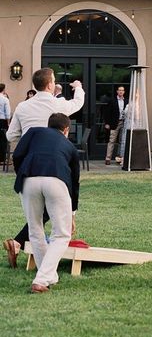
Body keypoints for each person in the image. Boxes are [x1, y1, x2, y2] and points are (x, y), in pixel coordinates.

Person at [3, 67, 84, 269]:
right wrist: (79, 87)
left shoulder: (22, 107)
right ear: (50, 85)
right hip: (54, 163)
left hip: (28, 164)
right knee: (54, 216)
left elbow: (10, 136)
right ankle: (30, 254)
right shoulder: (58, 104)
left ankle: (20, 244)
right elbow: (78, 103)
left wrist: (26, 135)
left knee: (37, 218)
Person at [13, 113, 80, 293]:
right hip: (57, 181)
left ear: (48, 125)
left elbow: (18, 154)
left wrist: (22, 173)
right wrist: (72, 214)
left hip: (28, 180)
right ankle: (42, 279)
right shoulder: (70, 147)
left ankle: (49, 276)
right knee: (61, 234)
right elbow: (75, 184)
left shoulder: (34, 132)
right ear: (66, 130)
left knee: (35, 230)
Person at [103, 86, 128, 165]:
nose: (121, 92)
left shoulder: (127, 101)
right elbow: (107, 113)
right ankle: (108, 158)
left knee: (122, 141)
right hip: (114, 123)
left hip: (124, 122)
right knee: (112, 140)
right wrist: (107, 123)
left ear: (124, 92)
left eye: (122, 90)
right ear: (117, 91)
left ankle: (120, 158)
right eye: (119, 90)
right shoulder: (112, 101)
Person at [0, 83, 11, 165]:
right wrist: (8, 123)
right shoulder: (5, 99)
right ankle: (1, 159)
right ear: (3, 89)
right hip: (2, 121)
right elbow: (8, 113)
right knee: (2, 140)